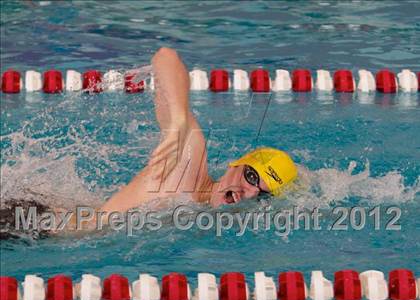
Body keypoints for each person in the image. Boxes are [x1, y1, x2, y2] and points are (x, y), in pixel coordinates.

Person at [100, 47, 298, 214]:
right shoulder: (186, 166)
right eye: (252, 176)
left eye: (264, 193)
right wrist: (179, 121)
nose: (251, 192)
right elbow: (166, 56)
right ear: (235, 164)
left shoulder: (204, 216)